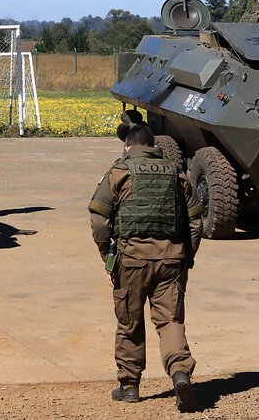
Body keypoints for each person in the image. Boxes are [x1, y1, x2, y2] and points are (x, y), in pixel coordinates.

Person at [88, 123, 203, 413]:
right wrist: (186, 257)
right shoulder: (176, 173)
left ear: (128, 146)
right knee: (170, 321)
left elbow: (99, 220)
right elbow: (195, 223)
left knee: (130, 322)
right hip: (171, 260)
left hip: (131, 259)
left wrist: (108, 257)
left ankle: (129, 387)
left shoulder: (119, 172)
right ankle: (179, 373)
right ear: (153, 146)